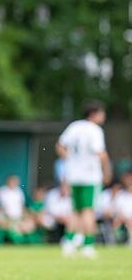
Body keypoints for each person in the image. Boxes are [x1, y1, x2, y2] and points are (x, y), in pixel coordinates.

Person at [57, 100, 111, 258]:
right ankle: (88, 245)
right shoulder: (95, 130)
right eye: (102, 113)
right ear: (94, 114)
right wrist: (107, 171)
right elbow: (101, 153)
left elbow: (59, 146)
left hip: (74, 175)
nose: (104, 116)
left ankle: (68, 242)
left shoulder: (74, 126)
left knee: (75, 210)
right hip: (90, 176)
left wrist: (72, 160)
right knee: (89, 211)